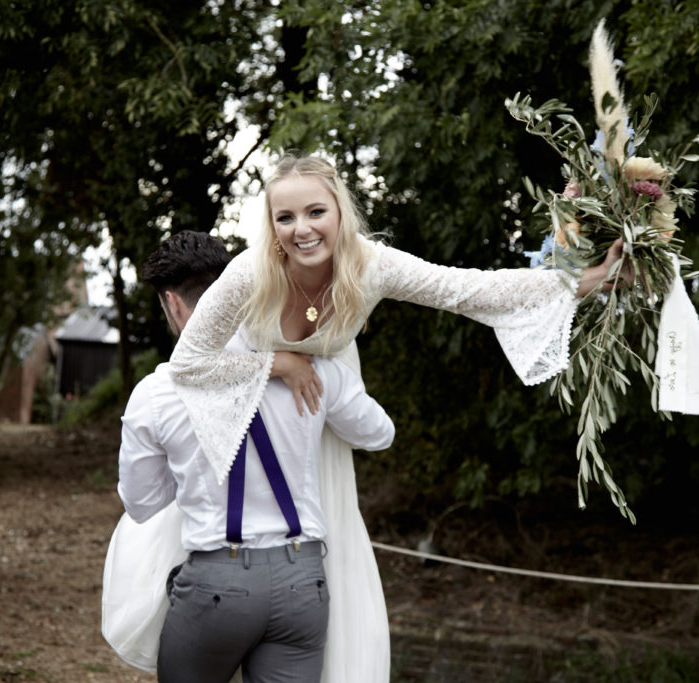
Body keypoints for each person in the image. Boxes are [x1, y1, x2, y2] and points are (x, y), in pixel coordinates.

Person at [162, 154, 628, 680]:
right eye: (285, 218)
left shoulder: (372, 264)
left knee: (324, 567)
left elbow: (468, 290)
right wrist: (279, 362)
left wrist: (590, 278)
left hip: (323, 411)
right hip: (237, 414)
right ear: (270, 226)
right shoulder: (251, 271)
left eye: (316, 211)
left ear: (341, 211)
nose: (302, 229)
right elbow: (190, 363)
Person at [106, 230, 395, 683]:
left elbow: (141, 504)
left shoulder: (157, 394)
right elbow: (380, 434)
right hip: (304, 581)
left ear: (173, 304)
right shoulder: (314, 370)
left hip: (216, 588)